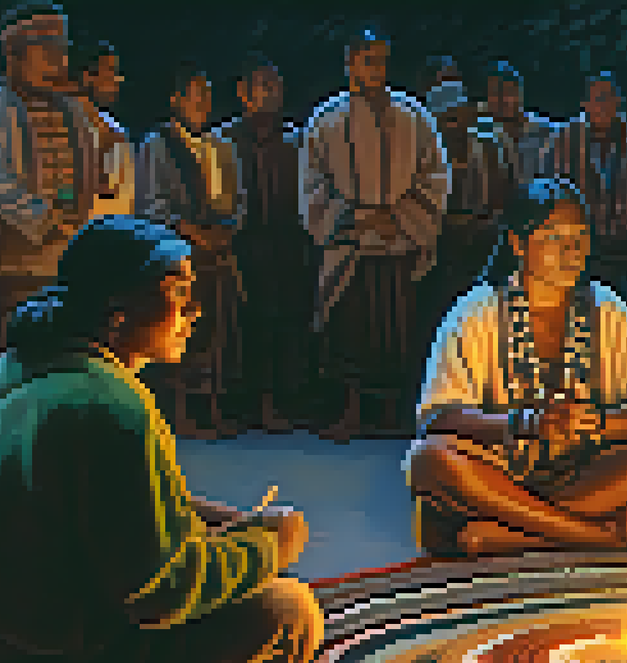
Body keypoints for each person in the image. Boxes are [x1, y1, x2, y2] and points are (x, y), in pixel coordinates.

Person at [0, 216, 322, 663]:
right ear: (117, 312)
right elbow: (160, 593)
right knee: (289, 612)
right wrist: (273, 546)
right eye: (176, 294)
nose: (193, 313)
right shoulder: (111, 409)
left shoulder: (13, 369)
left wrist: (207, 518)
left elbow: (91, 501)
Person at [405, 179, 627, 557]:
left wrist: (595, 425)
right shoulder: (479, 311)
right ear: (518, 245)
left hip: (583, 470)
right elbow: (438, 417)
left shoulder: (605, 307)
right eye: (554, 238)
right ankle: (595, 536)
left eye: (580, 238)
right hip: (500, 471)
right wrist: (526, 424)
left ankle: (508, 535)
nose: (571, 251)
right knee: (429, 459)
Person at [301, 29, 450, 440]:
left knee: (394, 328)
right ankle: (350, 412)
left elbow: (434, 175)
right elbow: (312, 181)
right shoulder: (326, 119)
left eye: (382, 60)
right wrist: (347, 218)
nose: (377, 70)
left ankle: (389, 412)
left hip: (396, 239)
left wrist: (400, 217)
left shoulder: (414, 115)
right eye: (368, 60)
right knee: (349, 328)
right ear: (350, 63)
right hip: (349, 241)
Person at [0, 1, 97, 362]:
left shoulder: (74, 112)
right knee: (15, 359)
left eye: (62, 50)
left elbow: (90, 175)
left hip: (69, 263)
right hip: (13, 265)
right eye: (47, 50)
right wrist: (44, 219)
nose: (59, 62)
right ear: (14, 54)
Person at [136, 62, 245, 438]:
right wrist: (191, 232)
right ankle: (180, 412)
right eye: (194, 96)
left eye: (207, 95)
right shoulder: (158, 145)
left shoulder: (221, 147)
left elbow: (236, 200)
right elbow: (151, 202)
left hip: (216, 253)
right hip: (178, 253)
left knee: (216, 332)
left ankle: (212, 407)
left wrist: (225, 233)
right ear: (176, 99)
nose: (202, 103)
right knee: (180, 332)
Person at [214, 52, 314, 433]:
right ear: (243, 92)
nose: (272, 93)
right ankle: (242, 402)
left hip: (287, 242)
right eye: (264, 85)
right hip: (244, 242)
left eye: (277, 86)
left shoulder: (296, 139)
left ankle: (281, 400)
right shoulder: (224, 139)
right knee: (243, 321)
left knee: (286, 321)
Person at [545, 71, 627, 336]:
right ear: (585, 104)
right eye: (597, 98)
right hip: (580, 258)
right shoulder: (564, 146)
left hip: (626, 257)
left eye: (609, 97)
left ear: (619, 102)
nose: (604, 105)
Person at [423, 55, 513, 356]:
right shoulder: (423, 147)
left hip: (482, 243)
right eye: (445, 114)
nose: (453, 120)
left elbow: (504, 193)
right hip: (438, 246)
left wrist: (486, 225)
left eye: (457, 112)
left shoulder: (489, 142)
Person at [68, 38, 132, 219]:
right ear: (88, 76)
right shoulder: (62, 124)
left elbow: (120, 194)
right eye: (111, 72)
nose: (118, 79)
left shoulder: (114, 128)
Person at [483, 60, 557, 184]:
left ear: (519, 93)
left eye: (507, 92)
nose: (501, 100)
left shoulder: (545, 130)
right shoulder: (486, 134)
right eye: (494, 93)